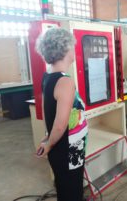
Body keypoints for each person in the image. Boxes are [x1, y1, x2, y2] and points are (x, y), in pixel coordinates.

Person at [36, 28, 88, 201]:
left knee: (65, 188)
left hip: (63, 147)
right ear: (65, 50)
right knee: (71, 192)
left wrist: (47, 137)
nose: (74, 51)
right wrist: (49, 143)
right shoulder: (65, 82)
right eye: (72, 47)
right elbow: (59, 124)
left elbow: (47, 112)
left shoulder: (49, 77)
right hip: (67, 150)